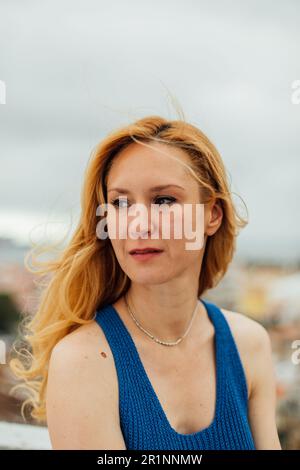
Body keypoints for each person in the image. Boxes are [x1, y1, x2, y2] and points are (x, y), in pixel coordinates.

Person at [10, 115, 281, 450]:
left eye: (164, 200)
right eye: (121, 203)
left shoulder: (249, 344)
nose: (138, 224)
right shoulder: (84, 361)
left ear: (212, 214)